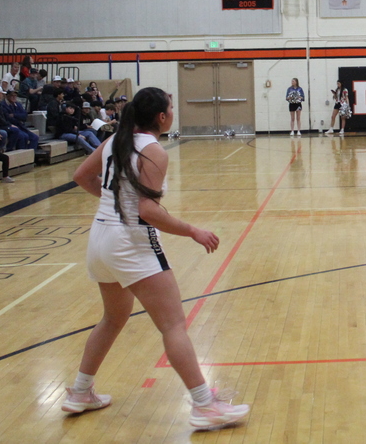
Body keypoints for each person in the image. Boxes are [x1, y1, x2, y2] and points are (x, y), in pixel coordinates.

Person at [63, 87, 250, 429]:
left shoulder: (114, 141)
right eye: (172, 108)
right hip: (130, 241)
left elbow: (80, 177)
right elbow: (148, 210)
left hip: (100, 237)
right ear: (162, 117)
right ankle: (205, 405)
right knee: (173, 325)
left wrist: (113, 203)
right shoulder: (153, 151)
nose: (173, 112)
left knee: (112, 319)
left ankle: (80, 391)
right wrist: (193, 230)